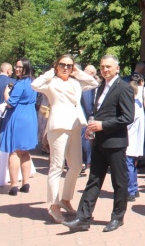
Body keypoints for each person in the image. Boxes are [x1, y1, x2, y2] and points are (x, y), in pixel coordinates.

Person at [63, 54, 135, 233]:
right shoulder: (101, 86)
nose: (105, 70)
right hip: (99, 141)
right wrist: (93, 127)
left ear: (117, 68)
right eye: (102, 67)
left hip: (115, 142)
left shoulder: (124, 88)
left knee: (119, 181)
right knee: (93, 180)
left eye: (108, 67)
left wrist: (103, 125)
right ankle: (83, 218)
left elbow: (127, 117)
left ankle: (117, 217)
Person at [31, 55, 99, 223]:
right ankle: (53, 205)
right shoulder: (51, 82)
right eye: (62, 64)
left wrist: (78, 72)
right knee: (57, 166)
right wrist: (51, 72)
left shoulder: (75, 82)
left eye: (69, 65)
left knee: (76, 165)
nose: (66, 68)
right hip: (59, 126)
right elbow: (35, 85)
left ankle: (66, 199)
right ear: (56, 65)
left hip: (75, 125)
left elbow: (93, 83)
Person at [0, 58, 38, 196]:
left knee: (14, 152)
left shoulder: (20, 84)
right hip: (30, 116)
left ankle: (14, 185)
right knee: (25, 152)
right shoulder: (33, 82)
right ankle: (26, 183)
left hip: (18, 116)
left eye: (20, 67)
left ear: (26, 68)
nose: (17, 69)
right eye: (16, 66)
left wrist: (5, 93)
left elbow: (11, 103)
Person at [126, 80, 145, 202]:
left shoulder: (131, 106)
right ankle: (134, 188)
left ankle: (130, 191)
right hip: (134, 139)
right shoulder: (138, 103)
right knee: (131, 165)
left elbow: (127, 123)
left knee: (128, 165)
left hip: (130, 139)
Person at [79, 64, 98, 177]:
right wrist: (89, 116)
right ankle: (84, 162)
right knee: (85, 140)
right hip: (83, 117)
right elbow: (87, 103)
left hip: (79, 116)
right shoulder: (86, 83)